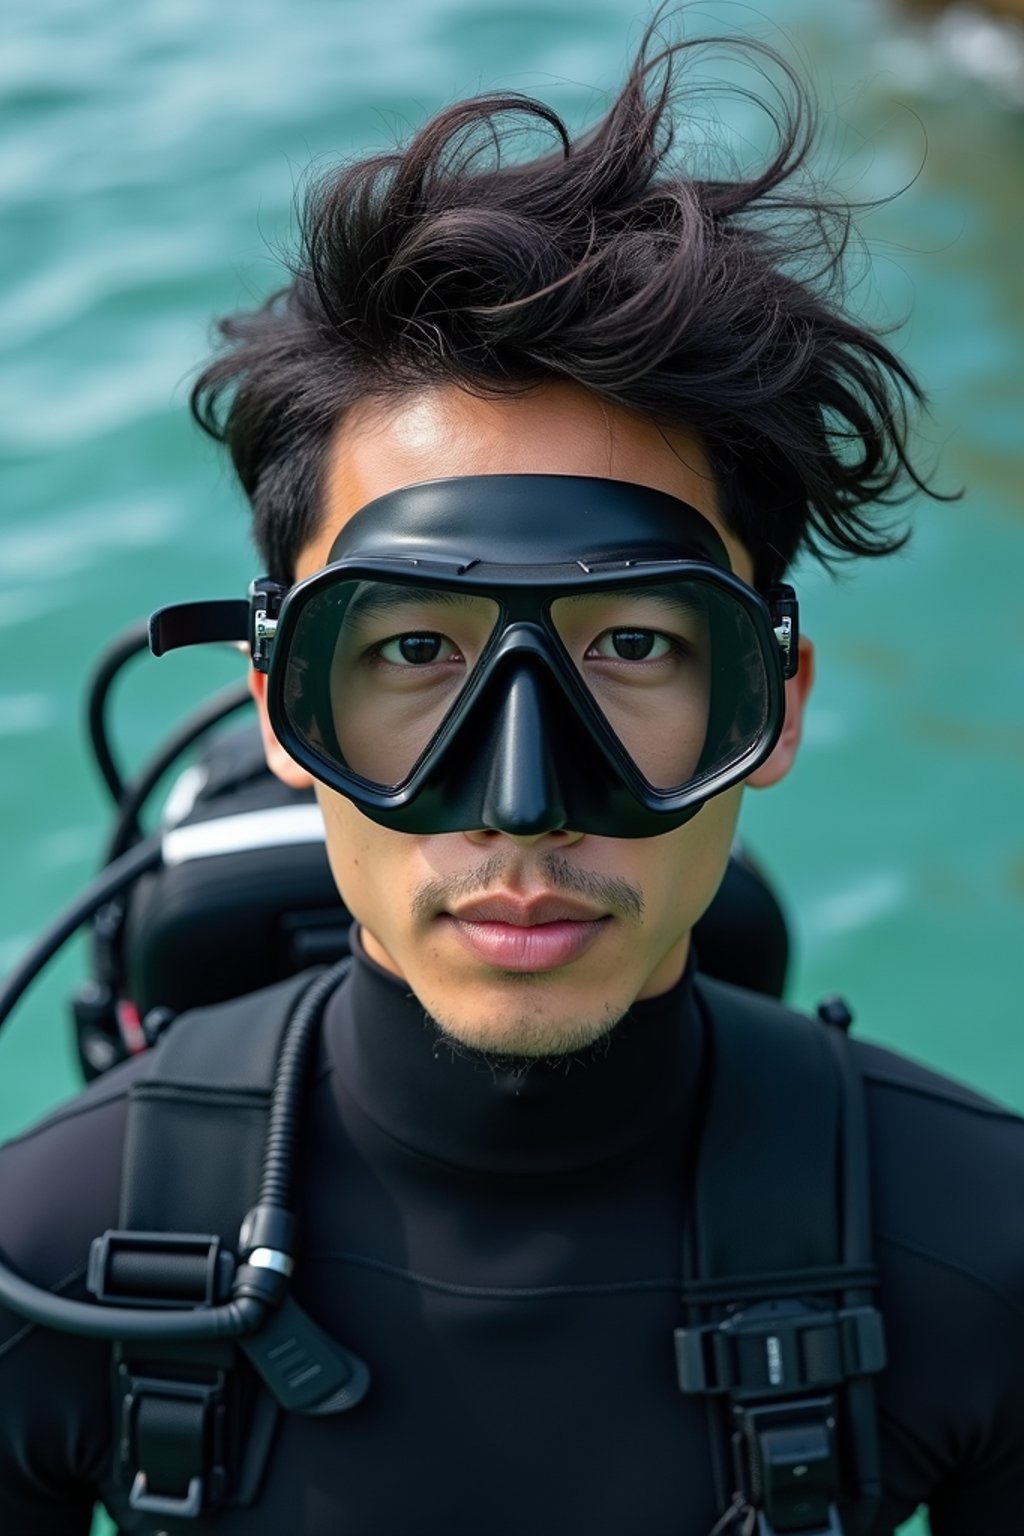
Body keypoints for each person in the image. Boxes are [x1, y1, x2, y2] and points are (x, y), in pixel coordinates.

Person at [1, 17, 1023, 1536]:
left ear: (776, 702)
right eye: (412, 652)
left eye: (633, 647)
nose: (524, 800)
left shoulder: (984, 1255)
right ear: (283, 703)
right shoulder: (49, 1263)